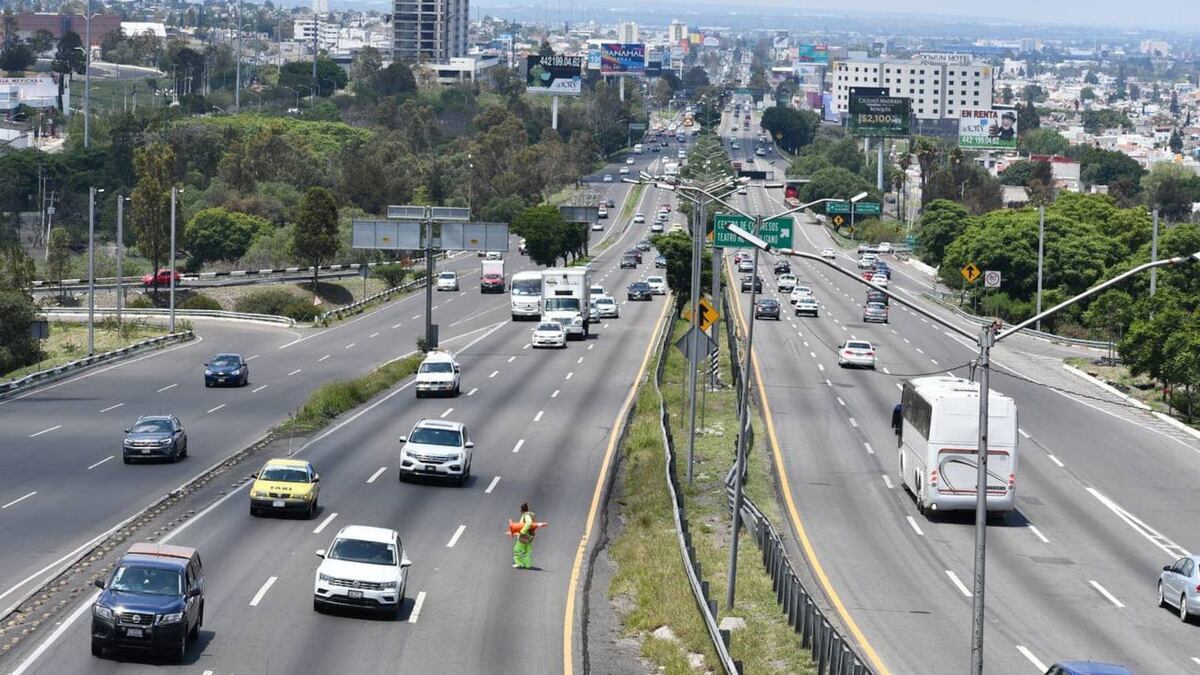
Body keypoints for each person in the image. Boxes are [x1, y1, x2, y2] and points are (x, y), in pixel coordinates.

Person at [513, 503, 535, 569]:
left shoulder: (526, 516)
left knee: (517, 549)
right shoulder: (530, 515)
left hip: (524, 536)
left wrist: (522, 531)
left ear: (522, 510)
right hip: (530, 535)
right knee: (527, 550)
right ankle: (527, 565)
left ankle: (519, 563)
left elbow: (529, 523)